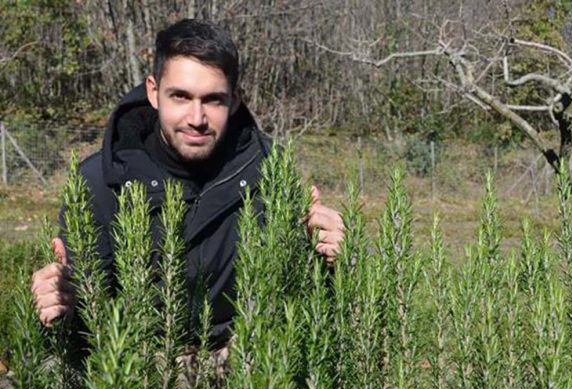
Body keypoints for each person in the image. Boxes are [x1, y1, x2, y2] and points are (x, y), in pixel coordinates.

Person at [30, 19, 344, 347]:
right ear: (153, 92)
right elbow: (83, 325)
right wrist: (55, 302)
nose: (196, 119)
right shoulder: (101, 182)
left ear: (235, 100)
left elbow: (304, 305)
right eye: (180, 96)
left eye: (213, 100)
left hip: (246, 365)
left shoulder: (271, 175)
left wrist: (336, 261)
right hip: (136, 365)